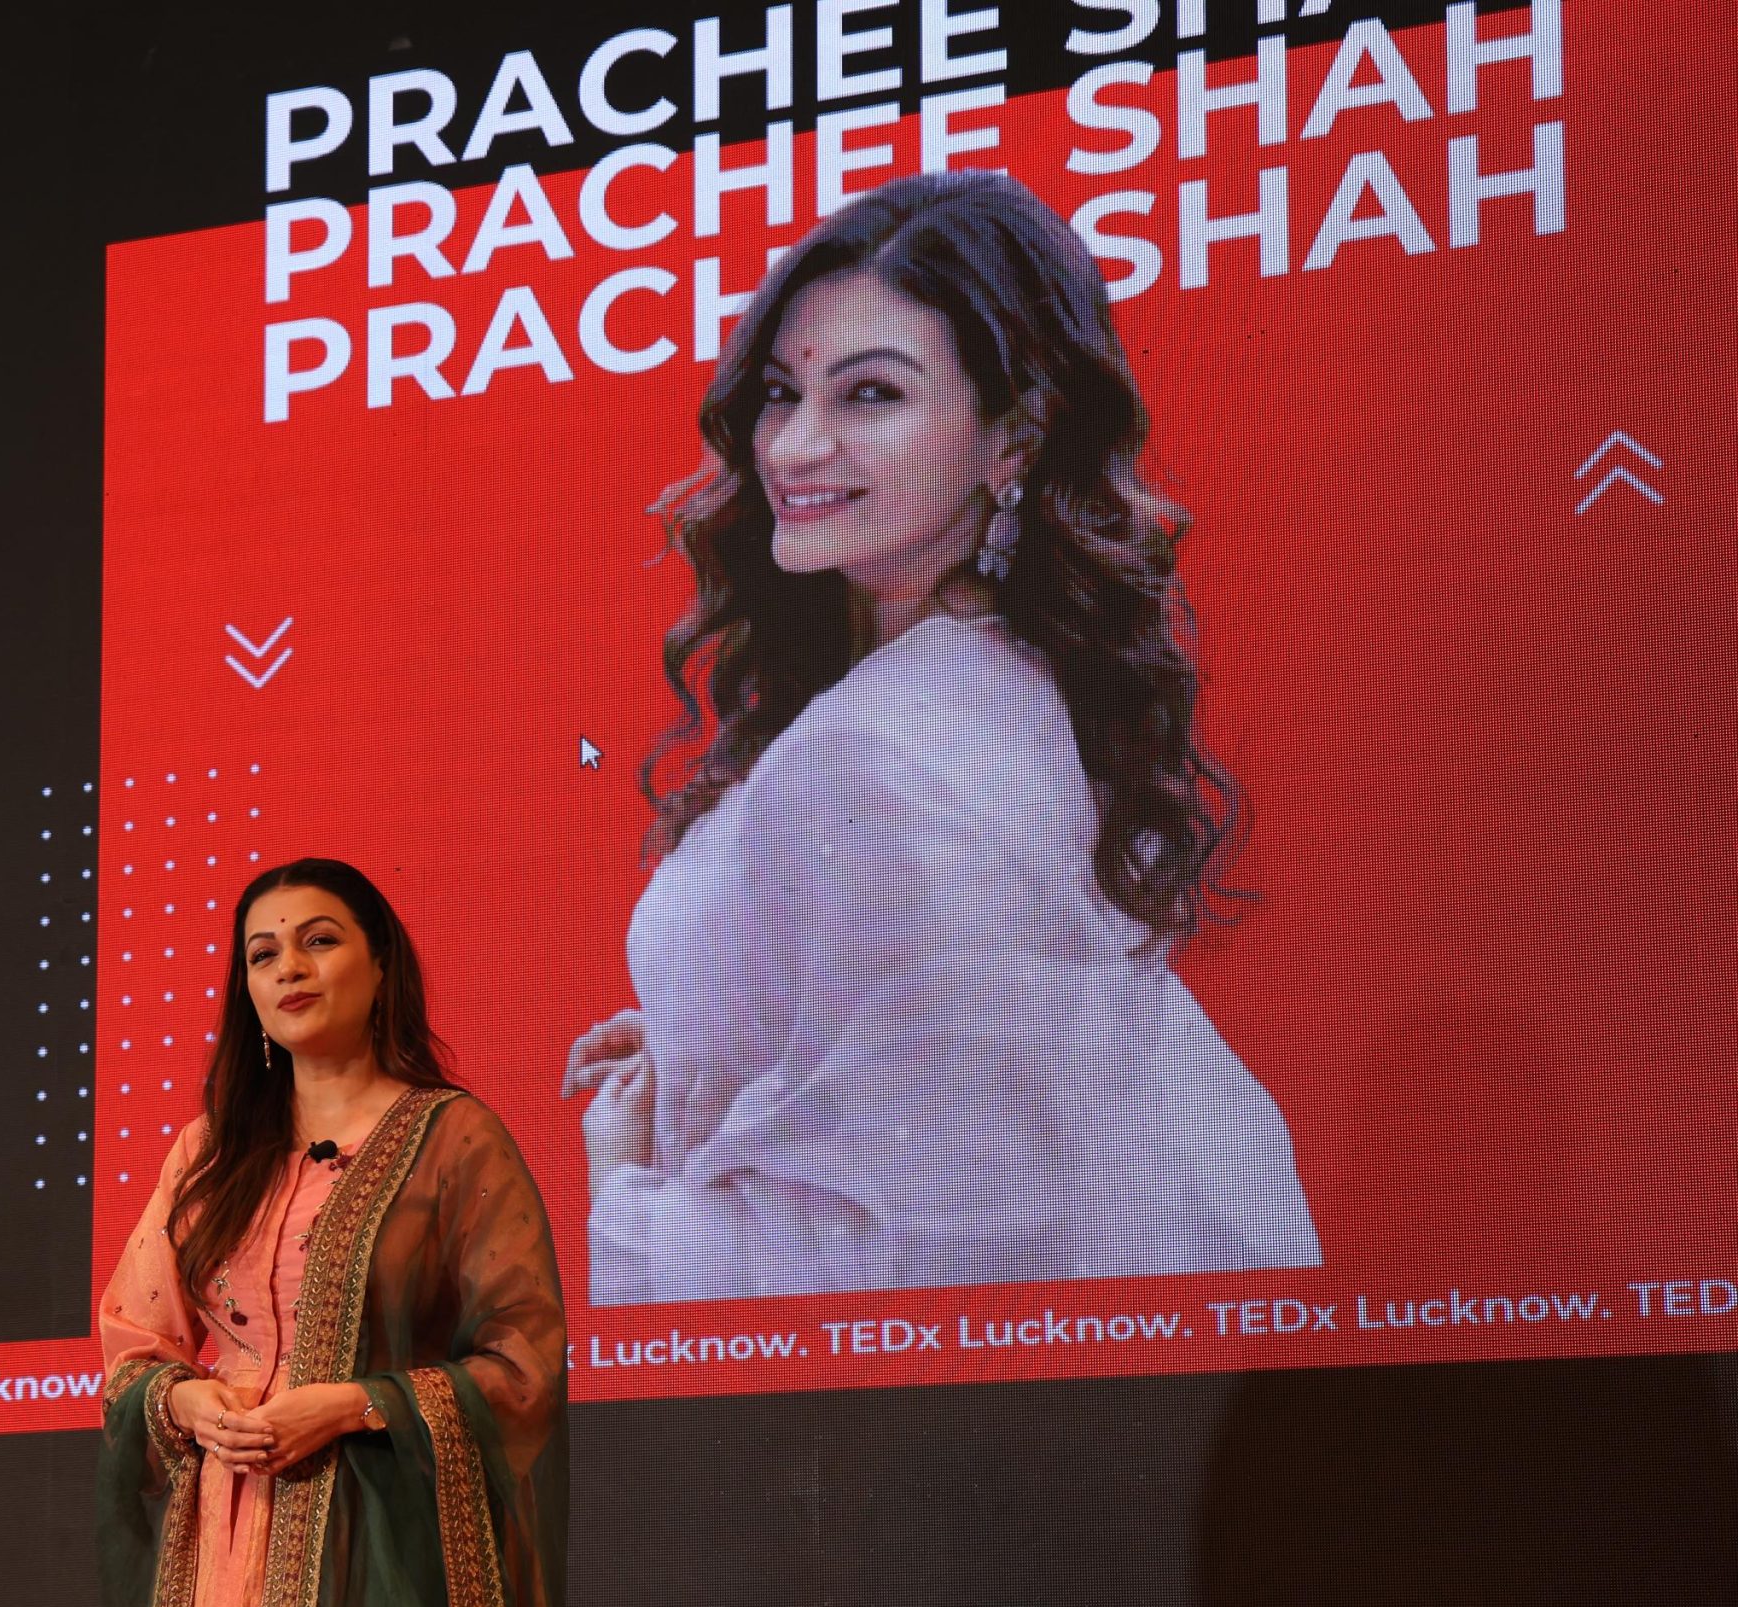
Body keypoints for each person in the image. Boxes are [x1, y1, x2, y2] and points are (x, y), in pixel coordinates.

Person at [562, 171, 1322, 1306]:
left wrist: (622, 1186)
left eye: (871, 394)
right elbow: (982, 1061)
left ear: (1013, 437)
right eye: (781, 393)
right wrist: (719, 1041)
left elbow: (921, 1251)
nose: (794, 446)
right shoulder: (1009, 676)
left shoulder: (884, 755)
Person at [98, 857, 567, 1607]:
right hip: (228, 1528)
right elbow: (137, 1342)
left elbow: (524, 1361)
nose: (290, 967)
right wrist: (189, 1402)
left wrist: (354, 1404)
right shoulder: (208, 1152)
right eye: (263, 954)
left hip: (383, 1537)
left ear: (381, 965)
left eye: (319, 941)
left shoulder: (454, 1139)